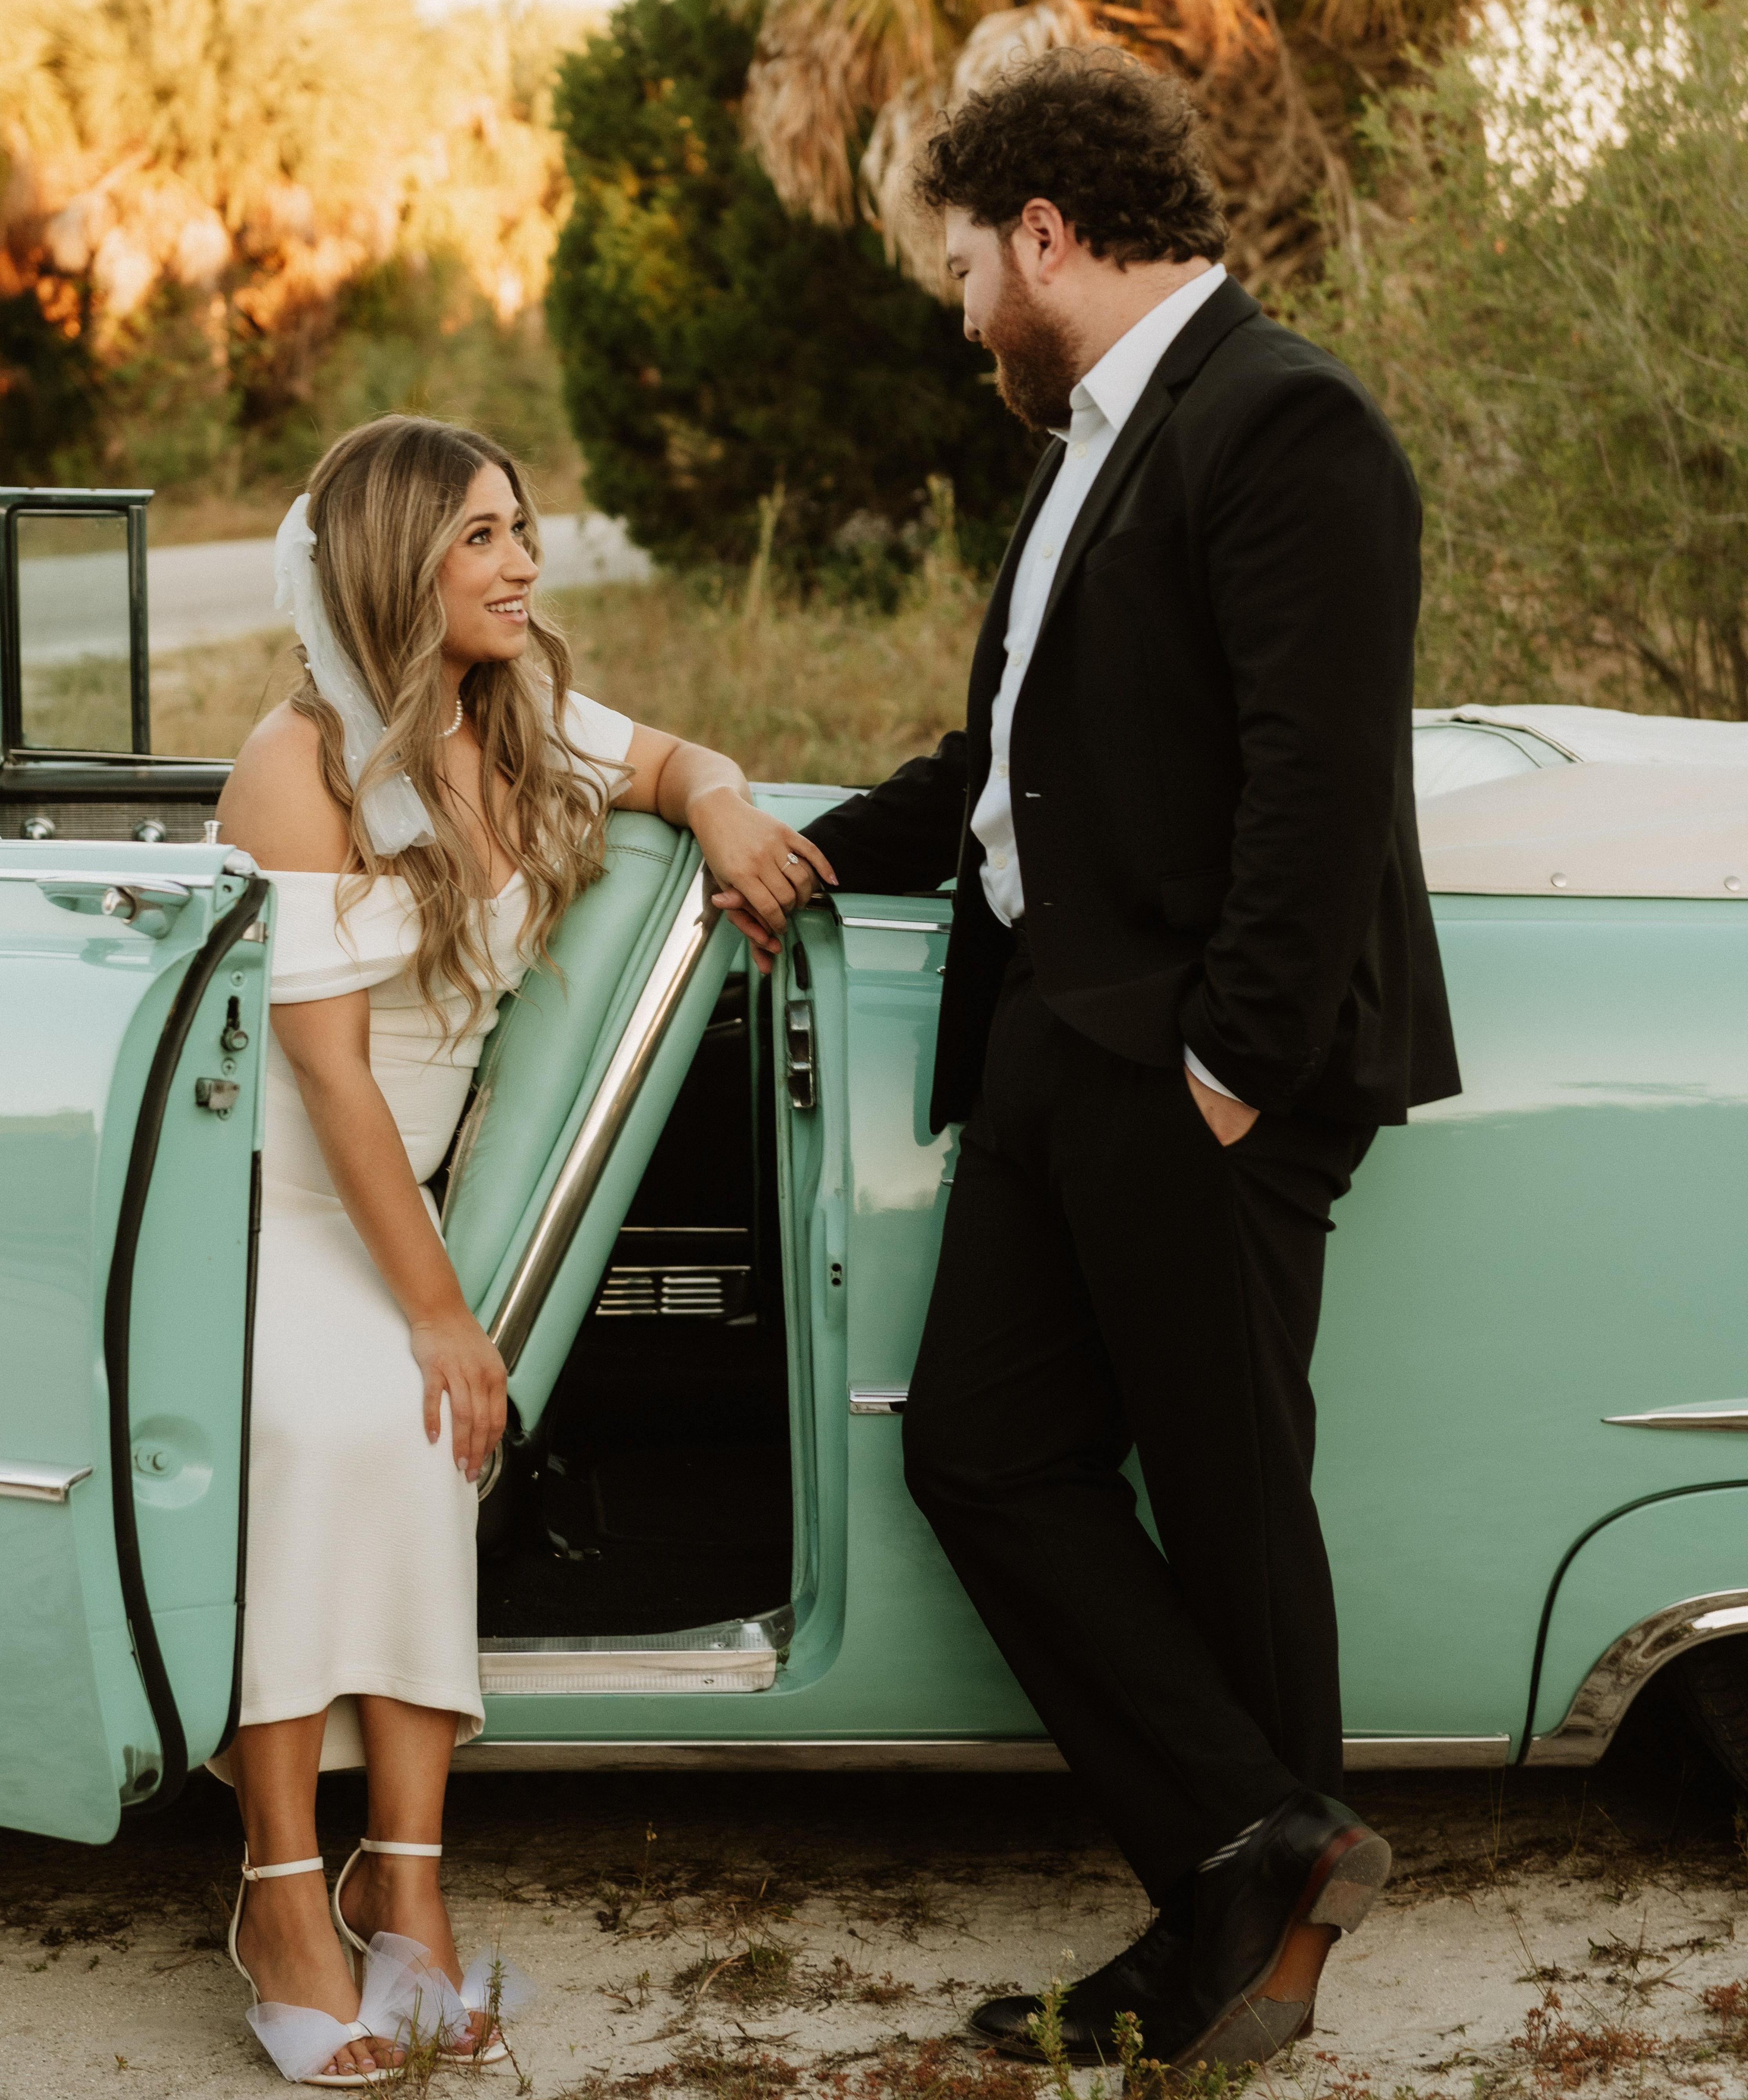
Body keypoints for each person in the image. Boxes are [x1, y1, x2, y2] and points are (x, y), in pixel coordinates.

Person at [760, 46, 1460, 2074]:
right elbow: (1010, 770)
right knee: (979, 1450)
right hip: (1054, 1045)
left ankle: (1244, 1949)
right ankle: (1258, 1846)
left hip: (1195, 1069)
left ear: (1046, 236)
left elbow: (1321, 779)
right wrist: (803, 849)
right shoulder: (1093, 443)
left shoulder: (1285, 418)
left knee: (1230, 1493)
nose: (961, 308)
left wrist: (1228, 1067)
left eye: (964, 266)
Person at [212, 415, 835, 2087]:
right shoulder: (296, 762)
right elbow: (329, 1075)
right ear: (393, 561)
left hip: (395, 1199)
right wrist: (440, 1313)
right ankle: (281, 1893)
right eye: (480, 536)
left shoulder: (518, 718)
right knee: (329, 1424)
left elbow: (676, 761)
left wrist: (722, 806)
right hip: (266, 1196)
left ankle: (403, 1885)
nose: (521, 562)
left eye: (520, 527)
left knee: (429, 1433)